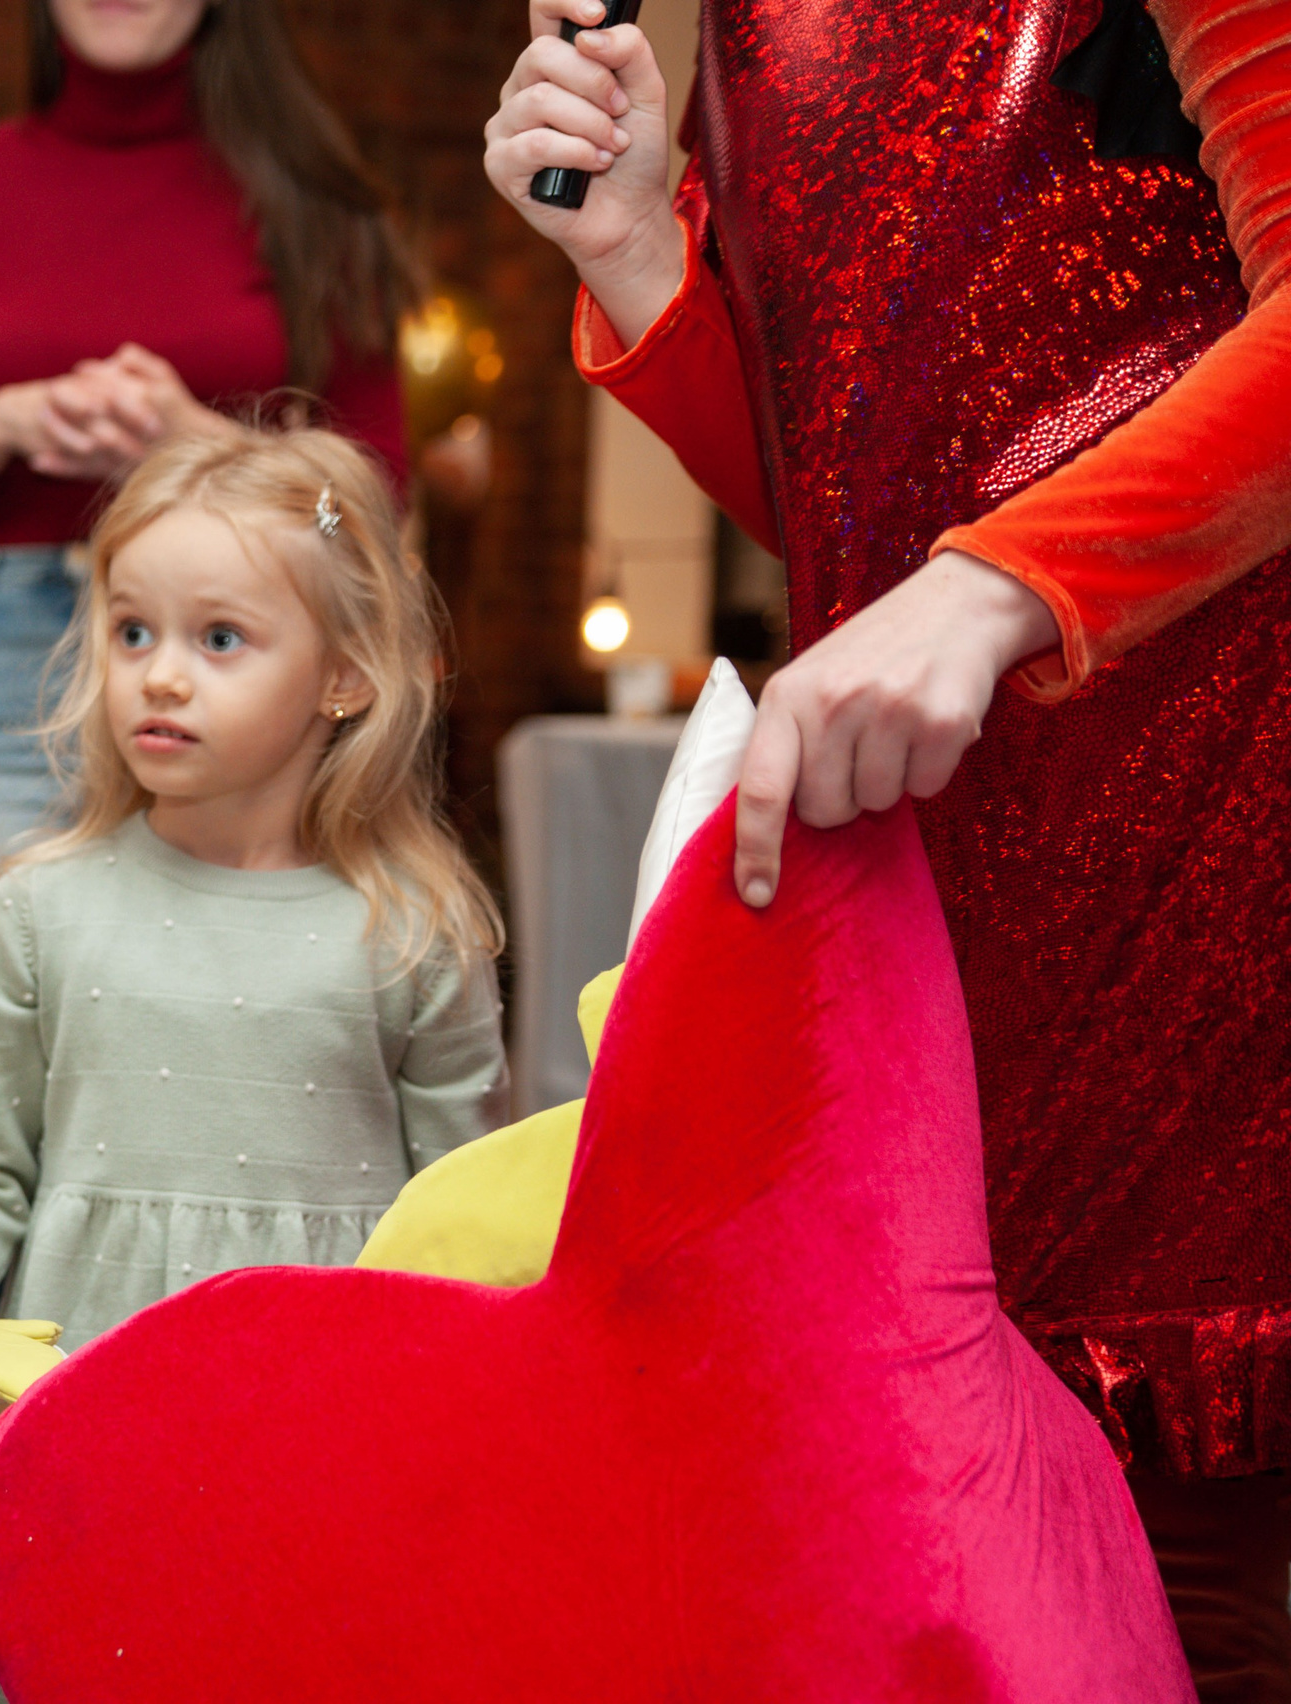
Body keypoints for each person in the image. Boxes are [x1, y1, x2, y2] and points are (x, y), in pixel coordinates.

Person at [485, 0, 1291, 1692]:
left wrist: (996, 588)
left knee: (1164, 1584)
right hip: (934, 921)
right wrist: (643, 255)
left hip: (1214, 885)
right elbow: (866, 499)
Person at [0, 426, 505, 1703]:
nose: (158, 676)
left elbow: (462, 1215)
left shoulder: (413, 931)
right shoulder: (42, 909)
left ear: (345, 678)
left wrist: (468, 1427)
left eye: (219, 640)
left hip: (315, 1435)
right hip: (81, 1426)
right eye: (130, 630)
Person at [0, 0, 414, 997]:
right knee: (16, 1054)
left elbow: (375, 504)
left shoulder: (315, 203)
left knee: (222, 1039)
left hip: (248, 673)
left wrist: (198, 441)